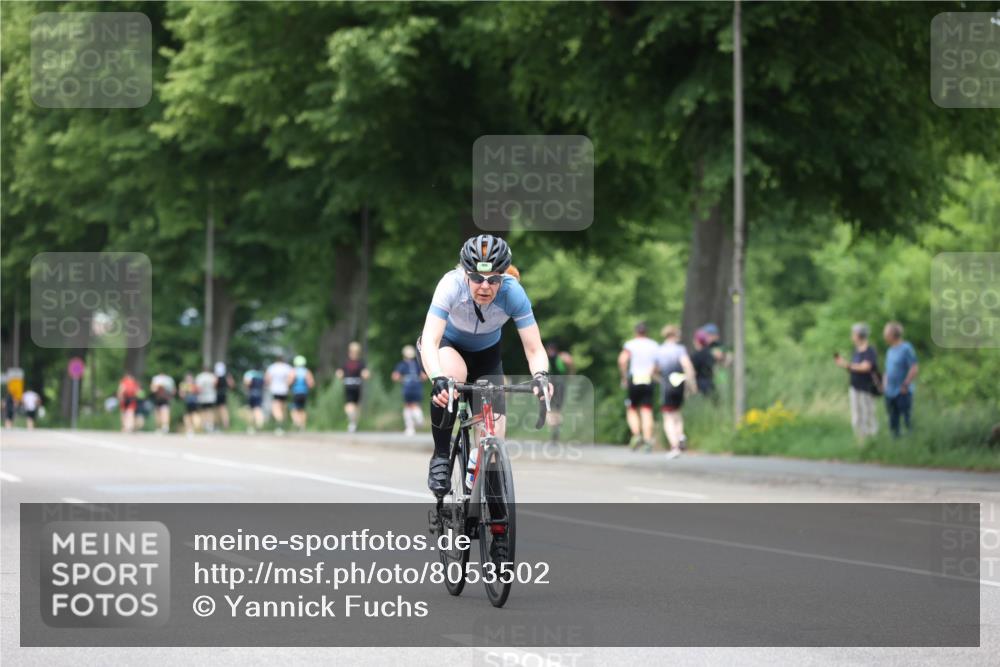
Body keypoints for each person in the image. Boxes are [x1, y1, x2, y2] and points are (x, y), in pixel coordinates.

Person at [420, 234, 552, 497]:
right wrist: (437, 378)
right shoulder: (451, 285)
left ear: (503, 277)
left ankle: (494, 516)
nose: (485, 286)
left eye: (493, 279)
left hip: (487, 354)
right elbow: (431, 340)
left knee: (496, 431)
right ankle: (441, 457)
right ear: (465, 273)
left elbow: (534, 348)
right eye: (478, 278)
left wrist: (541, 376)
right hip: (448, 346)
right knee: (453, 378)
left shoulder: (512, 292)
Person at [656, 325, 698, 459]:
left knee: (667, 416)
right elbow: (687, 366)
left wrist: (659, 380)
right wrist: (691, 383)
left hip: (667, 384)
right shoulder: (680, 349)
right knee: (677, 412)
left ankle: (674, 446)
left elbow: (653, 369)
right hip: (679, 384)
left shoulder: (660, 350)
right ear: (676, 335)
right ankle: (680, 436)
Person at [834, 322, 880, 441]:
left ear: (859, 335)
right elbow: (854, 367)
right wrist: (845, 365)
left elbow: (866, 367)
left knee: (868, 414)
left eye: (853, 333)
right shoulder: (855, 350)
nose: (852, 336)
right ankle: (860, 440)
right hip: (855, 386)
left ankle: (872, 440)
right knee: (857, 416)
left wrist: (847, 364)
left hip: (866, 388)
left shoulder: (870, 351)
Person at [618, 322, 659, 452]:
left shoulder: (631, 344)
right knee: (647, 410)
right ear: (647, 332)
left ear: (636, 332)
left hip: (634, 379)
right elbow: (658, 363)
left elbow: (622, 360)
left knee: (632, 409)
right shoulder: (654, 345)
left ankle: (636, 435)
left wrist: (624, 378)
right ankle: (647, 440)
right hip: (648, 379)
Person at [882, 321, 919, 437]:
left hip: (902, 391)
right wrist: (884, 384)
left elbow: (914, 367)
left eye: (886, 333)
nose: (884, 336)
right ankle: (895, 442)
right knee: (893, 420)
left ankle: (911, 442)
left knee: (906, 419)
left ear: (892, 335)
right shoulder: (890, 350)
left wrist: (906, 384)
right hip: (890, 391)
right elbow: (887, 370)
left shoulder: (906, 348)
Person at [392, 345, 427, 436]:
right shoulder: (417, 364)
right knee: (416, 405)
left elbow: (395, 376)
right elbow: (424, 377)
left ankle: (410, 428)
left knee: (408, 406)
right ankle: (419, 419)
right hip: (417, 386)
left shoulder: (401, 364)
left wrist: (403, 379)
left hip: (407, 387)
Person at [335, 342, 370, 433]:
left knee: (349, 405)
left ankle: (352, 422)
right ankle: (353, 422)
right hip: (357, 385)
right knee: (356, 405)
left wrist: (341, 376)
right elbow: (366, 374)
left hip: (349, 385)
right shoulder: (361, 363)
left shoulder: (346, 363)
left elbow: (339, 374)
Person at [545, 340, 575, 444]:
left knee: (557, 408)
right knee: (549, 407)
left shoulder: (562, 357)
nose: (551, 352)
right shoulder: (545, 358)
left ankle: (555, 429)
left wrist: (570, 375)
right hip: (550, 384)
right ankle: (554, 427)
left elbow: (570, 362)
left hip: (559, 384)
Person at [265, 354, 293, 434]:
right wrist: (287, 385)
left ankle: (279, 424)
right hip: (284, 390)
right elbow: (292, 377)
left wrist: (270, 385)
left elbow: (267, 378)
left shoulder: (272, 367)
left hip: (275, 390)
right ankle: (283, 425)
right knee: (283, 407)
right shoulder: (287, 367)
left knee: (275, 407)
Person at [290, 355, 316, 430]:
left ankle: (297, 423)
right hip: (304, 393)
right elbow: (311, 383)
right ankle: (303, 425)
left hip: (296, 392)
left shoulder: (294, 371)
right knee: (302, 409)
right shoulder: (306, 371)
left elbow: (289, 381)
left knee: (295, 409)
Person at [195, 366, 218, 432]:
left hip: (202, 396)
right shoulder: (212, 376)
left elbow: (198, 387)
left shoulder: (200, 376)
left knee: (203, 411)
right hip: (211, 396)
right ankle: (210, 425)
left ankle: (204, 424)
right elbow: (215, 385)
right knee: (210, 411)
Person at [242, 367, 266, 433]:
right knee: (258, 410)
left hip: (252, 393)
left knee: (251, 410)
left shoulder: (249, 374)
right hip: (260, 393)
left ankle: (250, 427)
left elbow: (247, 383)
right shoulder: (261, 374)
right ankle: (259, 425)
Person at [214, 362, 235, 431]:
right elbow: (232, 385)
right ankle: (225, 424)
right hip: (224, 393)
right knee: (223, 409)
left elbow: (214, 385)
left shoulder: (217, 376)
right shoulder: (226, 376)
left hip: (219, 393)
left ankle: (222, 425)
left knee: (220, 410)